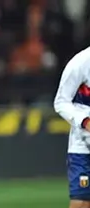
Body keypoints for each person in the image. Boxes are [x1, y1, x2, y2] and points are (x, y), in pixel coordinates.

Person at [54, 46, 90, 208]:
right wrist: (86, 121)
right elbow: (61, 102)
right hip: (84, 148)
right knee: (82, 202)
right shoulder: (80, 62)